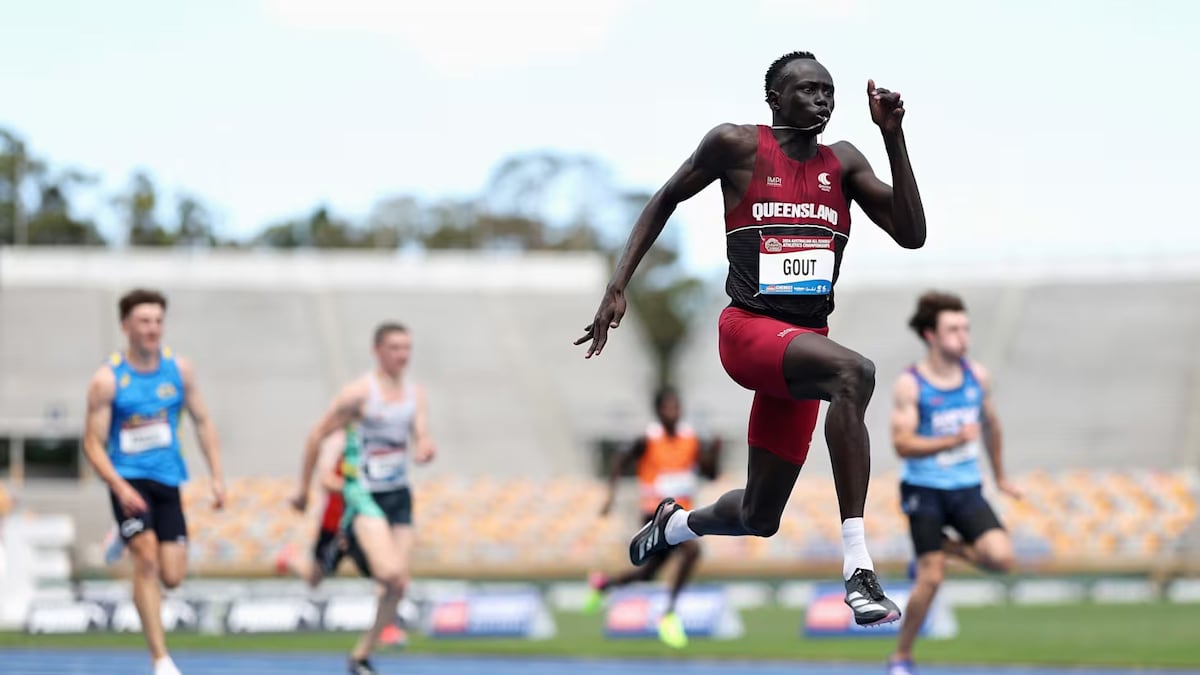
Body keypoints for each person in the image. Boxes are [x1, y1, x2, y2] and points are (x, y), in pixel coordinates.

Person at [576, 50, 926, 625]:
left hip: (803, 343)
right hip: (749, 333)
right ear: (775, 98)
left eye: (829, 92)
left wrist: (893, 138)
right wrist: (618, 285)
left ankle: (675, 523)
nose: (822, 100)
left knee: (761, 515)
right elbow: (664, 199)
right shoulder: (736, 145)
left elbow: (911, 234)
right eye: (809, 90)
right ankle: (859, 568)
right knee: (854, 373)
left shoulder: (845, 162)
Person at [82, 289, 226, 675]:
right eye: (144, 321)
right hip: (128, 481)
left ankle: (122, 538)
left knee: (173, 577)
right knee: (145, 560)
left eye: (158, 321)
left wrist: (216, 476)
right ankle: (160, 659)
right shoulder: (108, 379)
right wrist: (119, 486)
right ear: (126, 326)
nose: (153, 329)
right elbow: (92, 443)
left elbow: (203, 421)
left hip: (168, 480)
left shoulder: (179, 370)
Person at [887, 292, 1020, 675]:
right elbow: (902, 444)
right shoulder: (911, 385)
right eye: (953, 329)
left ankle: (943, 545)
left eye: (966, 328)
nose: (963, 336)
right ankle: (901, 657)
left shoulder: (977, 376)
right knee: (930, 578)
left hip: (966, 488)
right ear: (931, 335)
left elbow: (991, 425)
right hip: (923, 490)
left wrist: (1002, 478)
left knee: (1002, 558)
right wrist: (952, 439)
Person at [293, 322, 434, 675]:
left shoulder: (415, 394)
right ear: (377, 351)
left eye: (407, 348)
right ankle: (350, 540)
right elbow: (316, 435)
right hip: (364, 492)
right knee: (386, 571)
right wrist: (302, 489)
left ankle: (360, 655)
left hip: (398, 494)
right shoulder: (358, 394)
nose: (402, 355)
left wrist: (425, 447)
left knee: (398, 582)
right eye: (395, 348)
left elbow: (420, 432)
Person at [583, 386, 720, 648]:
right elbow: (619, 461)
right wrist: (610, 494)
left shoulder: (690, 438)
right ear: (658, 411)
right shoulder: (648, 438)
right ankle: (668, 614)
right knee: (692, 552)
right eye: (668, 407)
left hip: (681, 515)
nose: (673, 412)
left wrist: (713, 452)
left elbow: (710, 474)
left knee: (648, 574)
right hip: (653, 514)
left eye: (676, 407)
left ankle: (603, 584)